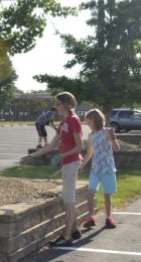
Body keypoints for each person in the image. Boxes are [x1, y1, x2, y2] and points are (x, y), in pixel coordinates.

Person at [22, 92, 83, 247]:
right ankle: (75, 230)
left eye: (57, 104)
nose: (55, 107)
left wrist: (63, 154)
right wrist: (33, 156)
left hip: (72, 163)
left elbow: (79, 146)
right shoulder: (64, 123)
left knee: (68, 202)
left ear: (65, 104)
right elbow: (51, 145)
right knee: (69, 200)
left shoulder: (74, 120)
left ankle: (67, 236)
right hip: (67, 163)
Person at [80, 108, 120, 229]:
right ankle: (91, 217)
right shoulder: (91, 135)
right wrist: (81, 165)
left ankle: (109, 218)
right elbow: (89, 153)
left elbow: (117, 149)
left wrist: (113, 139)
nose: (87, 124)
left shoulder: (107, 131)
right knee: (90, 192)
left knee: (107, 195)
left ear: (96, 121)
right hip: (95, 169)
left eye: (89, 122)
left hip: (107, 168)